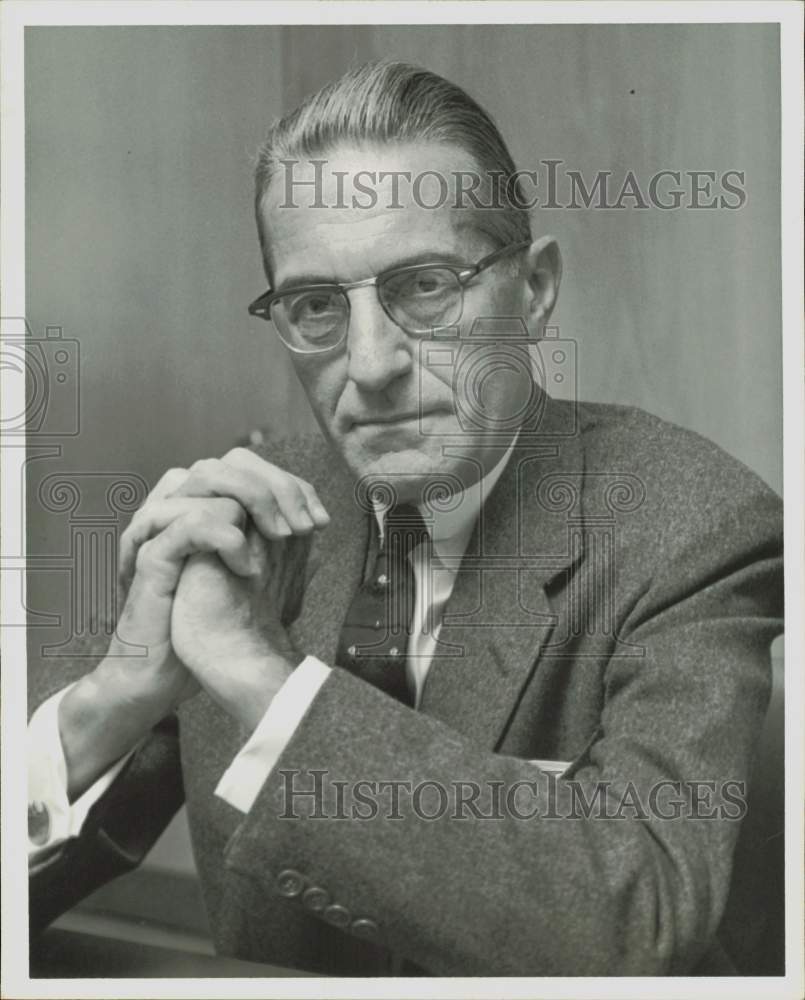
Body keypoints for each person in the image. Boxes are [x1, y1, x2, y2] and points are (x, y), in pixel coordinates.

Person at [28, 61, 783, 977]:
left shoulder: (687, 520)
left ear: (535, 291)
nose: (372, 363)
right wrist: (113, 701)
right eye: (315, 306)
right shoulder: (251, 510)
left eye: (425, 286)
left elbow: (639, 917)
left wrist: (264, 681)